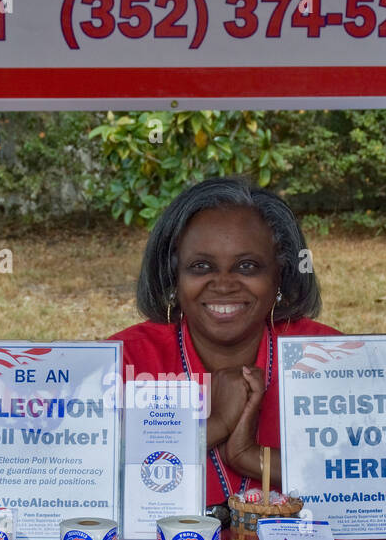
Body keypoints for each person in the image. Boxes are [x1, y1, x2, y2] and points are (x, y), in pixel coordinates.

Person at [110, 177, 340, 520]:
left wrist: (253, 458)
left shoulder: (328, 355)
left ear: (280, 275)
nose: (224, 284)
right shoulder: (124, 359)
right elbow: (80, 482)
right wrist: (216, 424)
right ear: (173, 276)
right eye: (201, 266)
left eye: (247, 266)